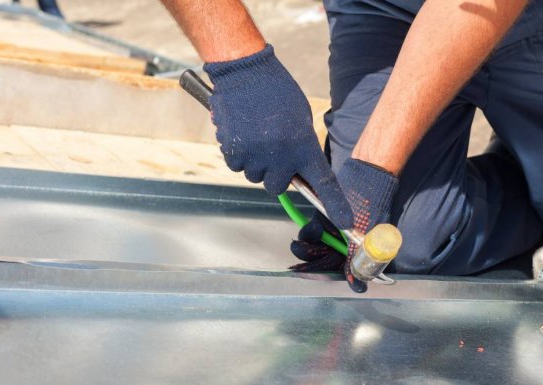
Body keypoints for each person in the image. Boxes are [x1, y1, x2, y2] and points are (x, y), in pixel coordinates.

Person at [162, 0, 543, 291]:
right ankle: (519, 169)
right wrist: (240, 66)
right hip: (388, 10)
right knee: (407, 239)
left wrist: (375, 166)